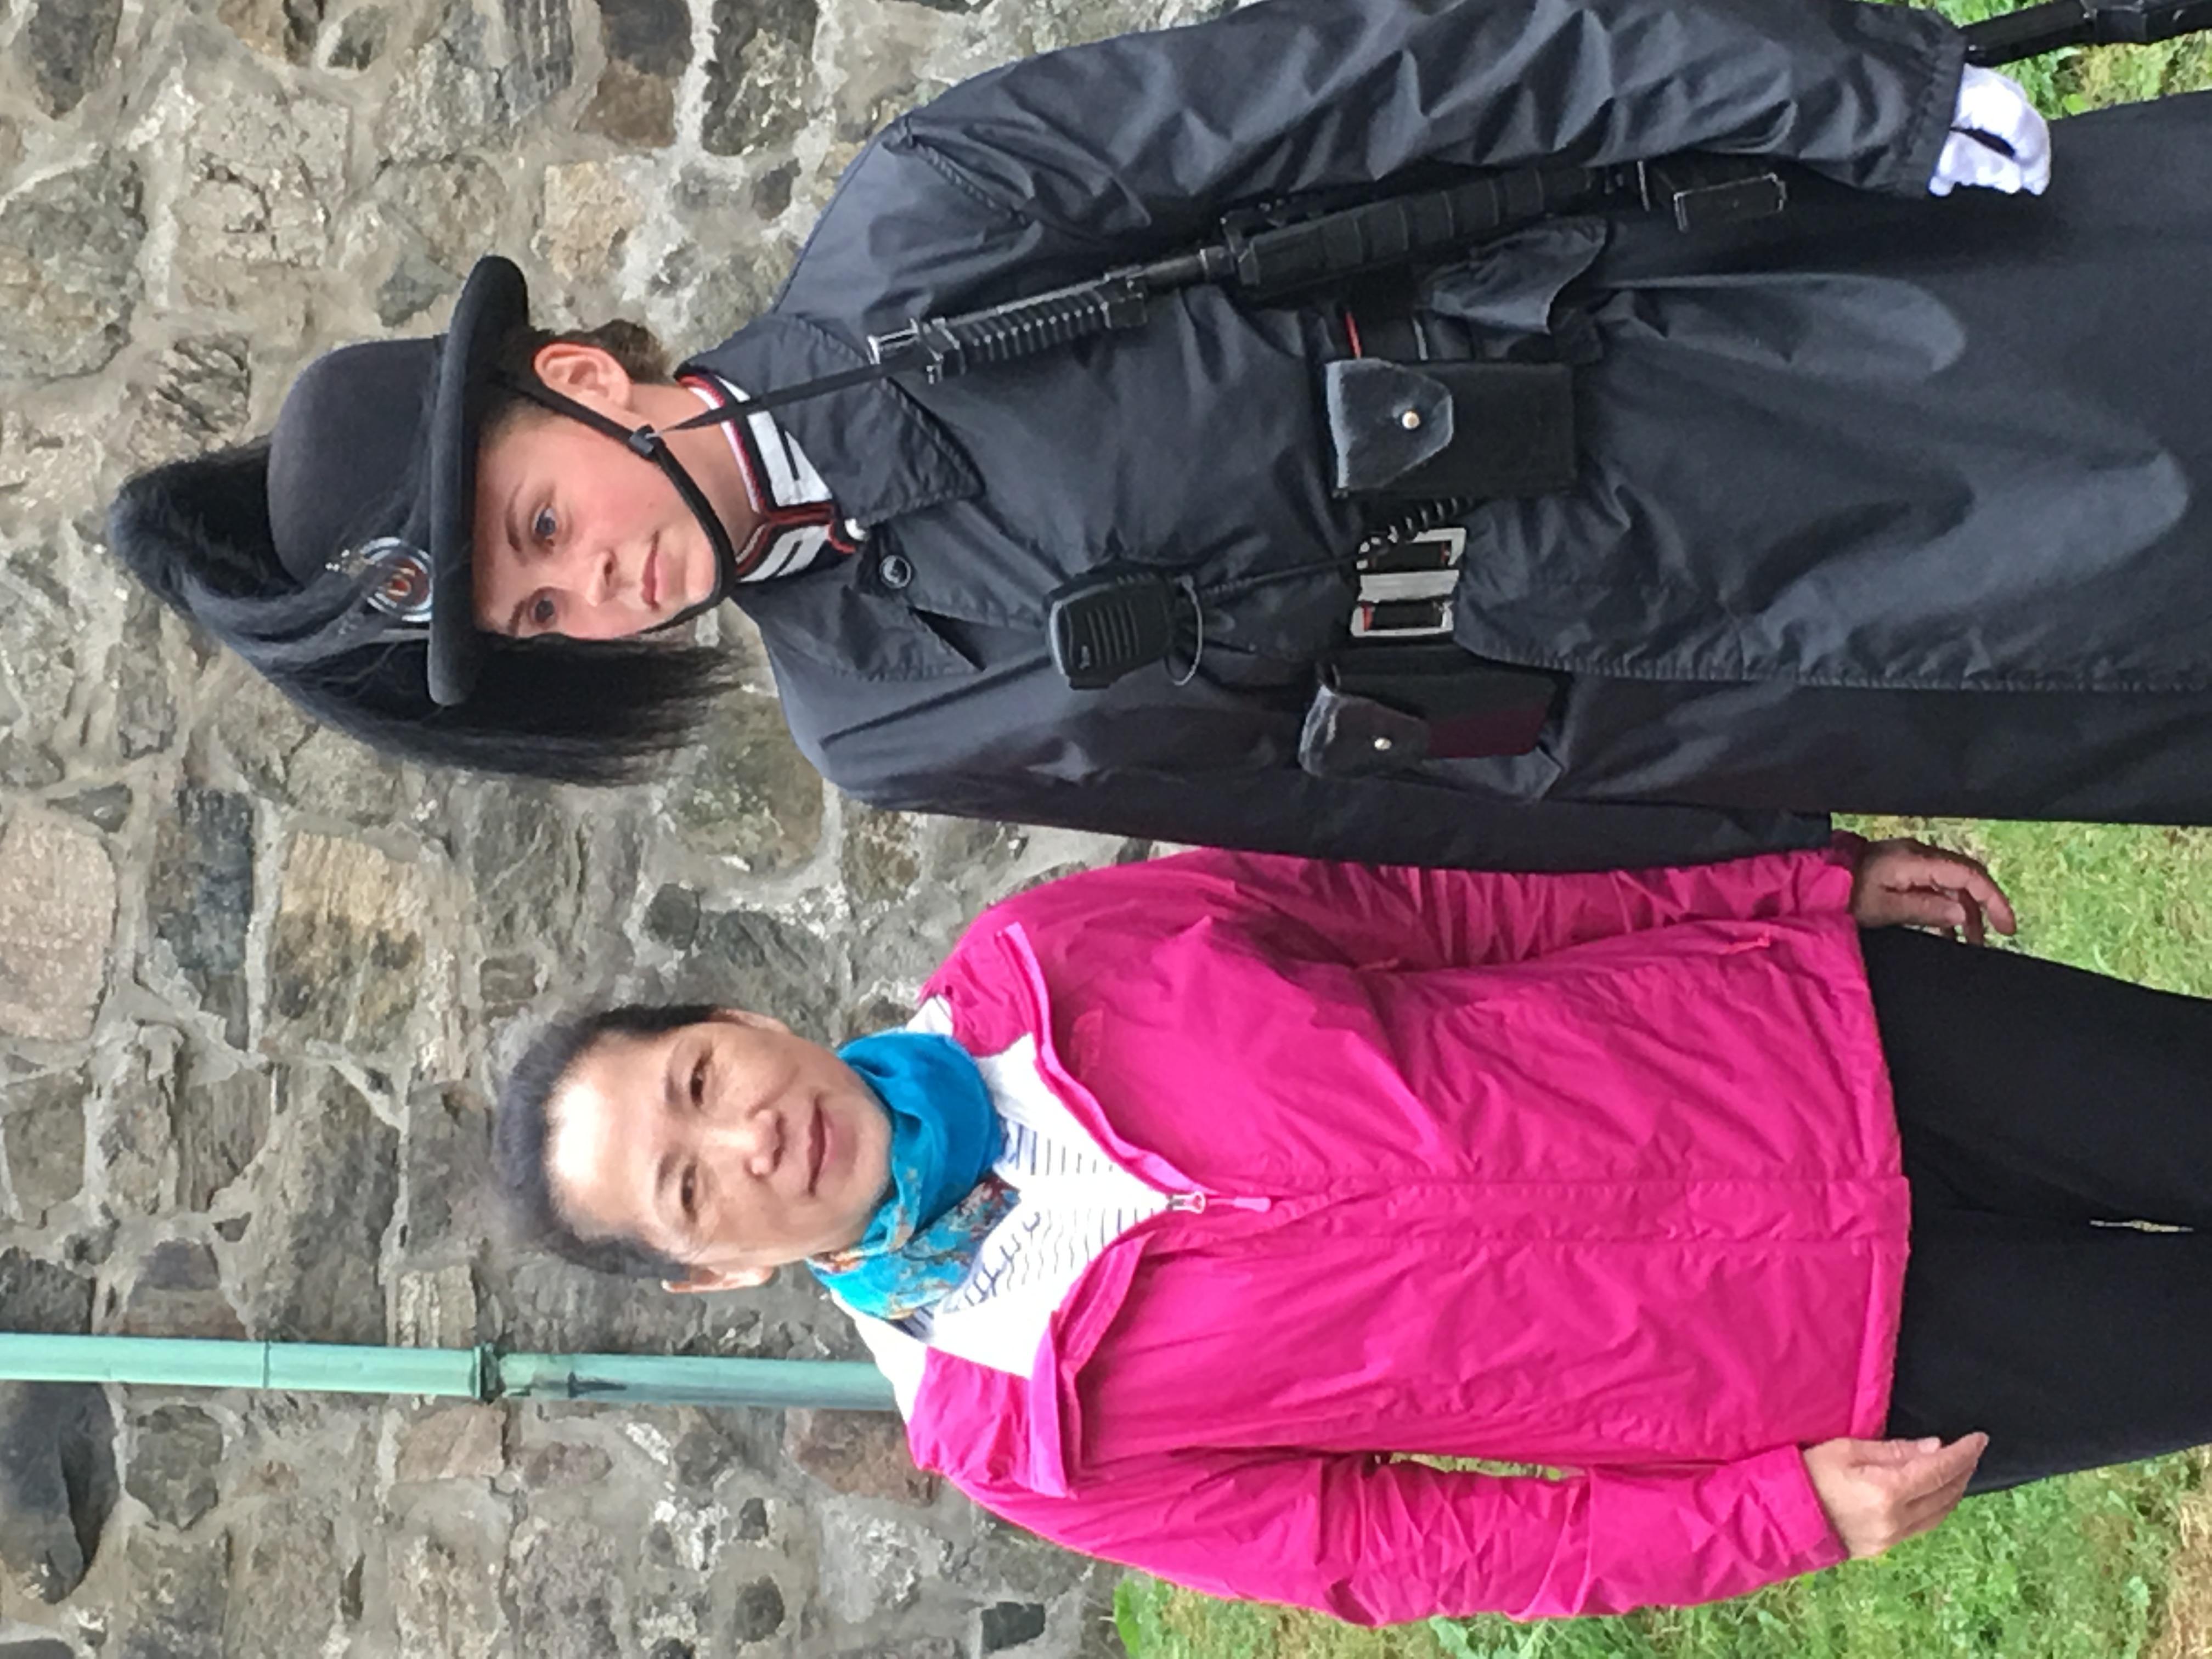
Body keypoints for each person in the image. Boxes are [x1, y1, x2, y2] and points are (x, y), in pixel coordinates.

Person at [105, 0, 2212, 869]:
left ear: (574, 379)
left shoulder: (934, 217)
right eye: (539, 613)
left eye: (539, 527)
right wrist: (1770, 874)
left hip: (1760, 370)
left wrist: (1849, 93)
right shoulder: (875, 720)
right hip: (1716, 682)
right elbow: (1358, 825)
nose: (595, 586)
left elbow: (1411, 79)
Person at [493, 837, 2212, 1621]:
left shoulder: (1053, 960)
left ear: (741, 1021)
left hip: (1827, 1043)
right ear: (720, 1269)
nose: (749, 1136)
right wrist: (1767, 1518)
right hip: (1832, 1360)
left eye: (701, 1080)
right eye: (691, 1184)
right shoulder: (1023, 1432)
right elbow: (1403, 1547)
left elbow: (1438, 903)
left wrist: (1777, 884)